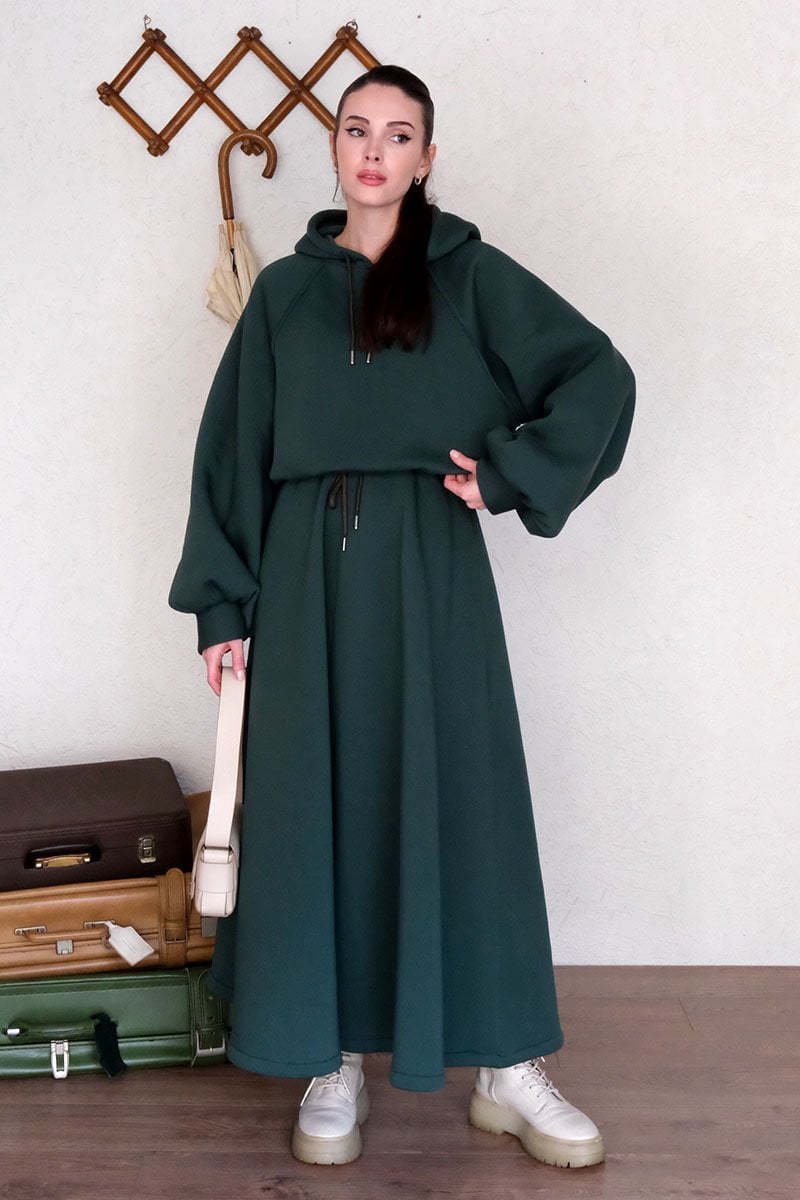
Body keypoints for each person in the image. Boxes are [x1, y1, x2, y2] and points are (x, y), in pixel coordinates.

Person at [169, 64, 635, 1170]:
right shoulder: (284, 294)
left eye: (398, 133)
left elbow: (596, 375)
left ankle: (506, 1064)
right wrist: (223, 604)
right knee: (314, 812)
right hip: (302, 579)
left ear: (427, 157)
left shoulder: (469, 277)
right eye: (355, 129)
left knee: (463, 803)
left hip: (432, 569)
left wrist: (506, 474)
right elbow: (230, 451)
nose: (374, 150)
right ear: (335, 148)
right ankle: (330, 1059)